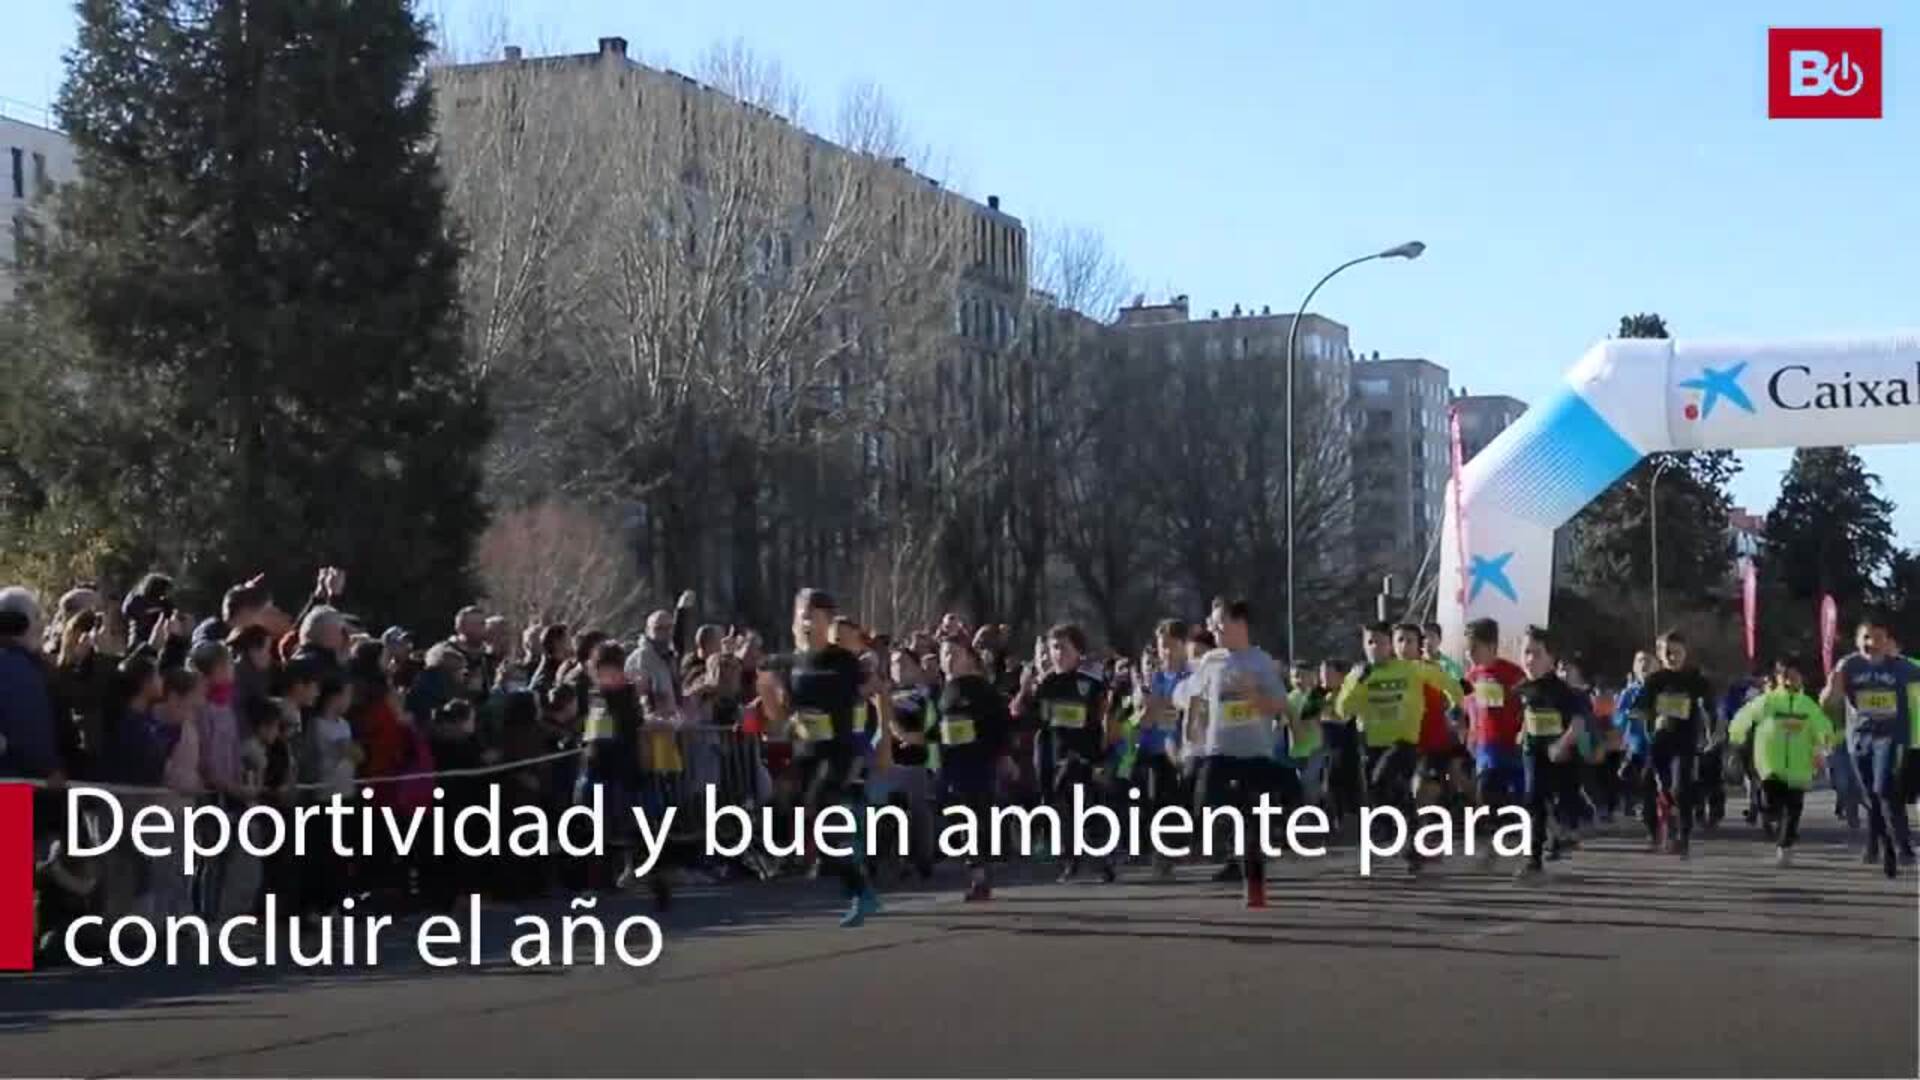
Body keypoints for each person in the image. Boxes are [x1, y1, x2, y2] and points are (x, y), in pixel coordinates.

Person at [1177, 599, 1292, 907]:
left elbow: (1280, 705)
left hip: (1255, 753)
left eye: (1219, 623)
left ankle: (1255, 887)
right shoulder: (1212, 660)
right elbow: (1186, 694)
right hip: (1219, 752)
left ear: (1240, 624)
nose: (1213, 629)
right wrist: (1182, 700)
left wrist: (1253, 693)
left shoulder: (1260, 661)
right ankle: (1211, 840)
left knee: (1253, 823)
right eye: (1212, 624)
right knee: (1204, 799)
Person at [786, 588, 889, 926]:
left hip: (840, 751)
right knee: (826, 826)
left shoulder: (842, 660)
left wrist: (881, 737)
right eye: (801, 612)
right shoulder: (796, 661)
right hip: (808, 751)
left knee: (829, 819)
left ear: (826, 619)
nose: (805, 619)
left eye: (813, 614)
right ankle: (863, 890)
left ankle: (862, 893)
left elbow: (875, 690)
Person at [1335, 621, 1462, 874]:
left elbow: (1449, 683)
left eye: (1380, 642)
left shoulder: (1411, 669)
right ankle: (1413, 844)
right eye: (1369, 642)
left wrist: (1457, 707)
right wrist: (1357, 682)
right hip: (1372, 744)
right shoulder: (1360, 674)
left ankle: (1394, 832)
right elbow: (1343, 710)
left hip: (1404, 742)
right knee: (1392, 793)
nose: (1375, 648)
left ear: (1389, 646)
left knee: (1381, 780)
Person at [1013, 622, 1114, 883]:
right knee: (1058, 807)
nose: (1058, 653)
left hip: (1083, 753)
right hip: (1051, 751)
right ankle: (1071, 860)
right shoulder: (1047, 682)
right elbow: (1020, 712)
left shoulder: (1090, 681)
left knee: (1084, 805)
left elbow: (1103, 717)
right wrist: (1025, 687)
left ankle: (1100, 859)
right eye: (1054, 648)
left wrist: (1103, 753)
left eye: (1064, 648)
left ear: (1078, 650)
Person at [1821, 614, 1917, 877]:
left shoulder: (1902, 667)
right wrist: (1831, 687)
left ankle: (1897, 847)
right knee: (1871, 796)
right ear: (1857, 640)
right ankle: (1881, 845)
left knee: (1882, 788)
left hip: (1891, 737)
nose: (1871, 643)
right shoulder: (1849, 665)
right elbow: (1828, 701)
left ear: (1887, 642)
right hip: (1859, 740)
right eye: (1865, 637)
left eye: (1877, 638)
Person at [1729, 656, 1833, 867]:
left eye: (1794, 676)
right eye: (1784, 676)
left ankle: (1785, 846)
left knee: (1793, 810)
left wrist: (1825, 745)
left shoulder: (1808, 705)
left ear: (1801, 679)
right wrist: (1736, 737)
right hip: (1771, 766)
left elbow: (1822, 726)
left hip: (1799, 768)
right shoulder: (1768, 701)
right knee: (1769, 802)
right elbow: (1744, 716)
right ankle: (1767, 813)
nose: (1789, 681)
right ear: (1777, 678)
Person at [936, 637, 1013, 901]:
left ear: (969, 657)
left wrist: (1002, 755)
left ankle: (980, 872)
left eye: (955, 654)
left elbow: (1001, 724)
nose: (949, 659)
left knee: (974, 815)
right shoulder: (943, 690)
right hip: (951, 762)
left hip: (978, 761)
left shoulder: (982, 689)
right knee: (954, 816)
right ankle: (976, 864)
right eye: (945, 654)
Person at [1512, 626, 1588, 880]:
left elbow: (1578, 724)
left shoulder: (1563, 692)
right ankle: (1533, 860)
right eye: (1525, 653)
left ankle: (1563, 834)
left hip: (1563, 757)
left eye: (1536, 654)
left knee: (1562, 801)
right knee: (1533, 799)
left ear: (1551, 659)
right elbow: (1526, 715)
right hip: (1533, 753)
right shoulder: (1522, 688)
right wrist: (1522, 732)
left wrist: (1562, 744)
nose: (1529, 660)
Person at [1639, 630, 1714, 857]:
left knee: (1681, 788)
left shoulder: (1696, 679)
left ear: (1685, 652)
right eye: (1667, 653)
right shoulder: (1654, 681)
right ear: (1660, 654)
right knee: (1649, 783)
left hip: (1685, 741)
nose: (1673, 657)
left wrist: (1712, 731)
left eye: (1677, 652)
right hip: (1660, 741)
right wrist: (1653, 718)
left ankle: (1683, 836)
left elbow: (1710, 708)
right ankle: (1656, 831)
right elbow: (1641, 710)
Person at [1462, 618, 1526, 866]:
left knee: (1521, 797)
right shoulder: (1471, 676)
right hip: (1487, 748)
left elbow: (1527, 704)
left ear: (1491, 646)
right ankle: (1491, 844)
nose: (1470, 654)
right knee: (1486, 794)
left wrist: (1525, 730)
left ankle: (1540, 837)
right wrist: (1469, 735)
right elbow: (1470, 710)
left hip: (1514, 745)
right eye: (1468, 649)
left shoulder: (1513, 673)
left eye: (1474, 648)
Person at [1134, 619, 1191, 881]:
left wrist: (1169, 706)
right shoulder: (1153, 679)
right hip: (1154, 749)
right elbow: (1142, 719)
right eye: (1161, 647)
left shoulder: (1191, 676)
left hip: (1184, 749)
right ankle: (1161, 856)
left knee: (1181, 801)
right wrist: (1148, 702)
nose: (1165, 653)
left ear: (1183, 646)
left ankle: (1178, 846)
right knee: (1156, 801)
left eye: (1170, 646)